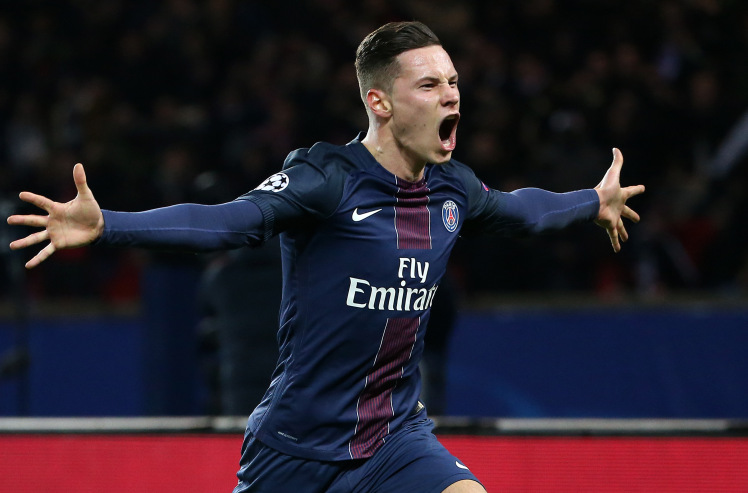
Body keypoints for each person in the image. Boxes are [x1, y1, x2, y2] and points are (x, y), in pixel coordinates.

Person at [7, 21, 644, 493]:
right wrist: (109, 224)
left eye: (453, 82)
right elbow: (228, 222)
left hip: (396, 440)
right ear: (381, 103)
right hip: (295, 448)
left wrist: (593, 200)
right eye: (429, 84)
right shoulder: (326, 178)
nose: (451, 96)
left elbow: (521, 212)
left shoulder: (454, 189)